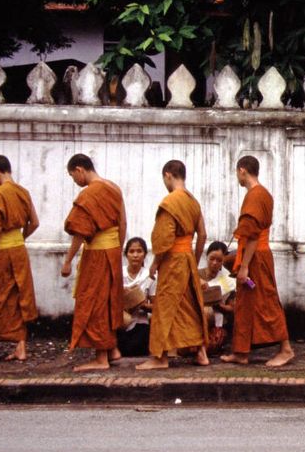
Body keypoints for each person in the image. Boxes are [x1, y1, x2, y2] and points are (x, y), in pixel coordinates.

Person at [220, 156, 294, 367]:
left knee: (266, 301)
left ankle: (286, 349)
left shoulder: (256, 195)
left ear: (242, 170)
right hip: (254, 253)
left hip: (256, 255)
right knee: (244, 304)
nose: (237, 177)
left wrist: (244, 267)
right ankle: (241, 352)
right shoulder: (262, 194)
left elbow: (252, 234)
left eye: (237, 173)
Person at [136, 160, 209, 370]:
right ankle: (201, 352)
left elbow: (164, 240)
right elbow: (202, 234)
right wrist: (193, 259)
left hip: (172, 259)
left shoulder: (170, 202)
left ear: (168, 175)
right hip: (186, 257)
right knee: (188, 306)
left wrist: (154, 264)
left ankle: (160, 358)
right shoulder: (193, 201)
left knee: (165, 306)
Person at [61, 154, 127, 372]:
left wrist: (68, 260)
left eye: (73, 177)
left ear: (80, 169)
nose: (75, 181)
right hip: (113, 250)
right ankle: (113, 350)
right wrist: (117, 249)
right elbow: (123, 222)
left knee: (94, 302)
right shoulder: (114, 188)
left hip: (97, 254)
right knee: (109, 301)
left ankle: (101, 358)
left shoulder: (89, 194)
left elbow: (80, 232)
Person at [0, 155, 38, 362]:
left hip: (1, 251)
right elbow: (34, 223)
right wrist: (19, 238)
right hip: (19, 250)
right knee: (17, 297)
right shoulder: (23, 193)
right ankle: (21, 346)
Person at [117, 237, 154, 357]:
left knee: (136, 349)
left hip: (140, 322)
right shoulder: (119, 274)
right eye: (131, 251)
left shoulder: (150, 276)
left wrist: (142, 305)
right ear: (126, 254)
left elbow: (156, 306)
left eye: (139, 251)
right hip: (120, 322)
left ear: (145, 254)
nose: (135, 255)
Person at [199, 241, 235, 355]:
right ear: (206, 257)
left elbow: (231, 308)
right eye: (212, 259)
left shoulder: (228, 280)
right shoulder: (197, 275)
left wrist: (219, 306)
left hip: (217, 323)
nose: (214, 263)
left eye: (219, 260)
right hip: (197, 320)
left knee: (210, 347)